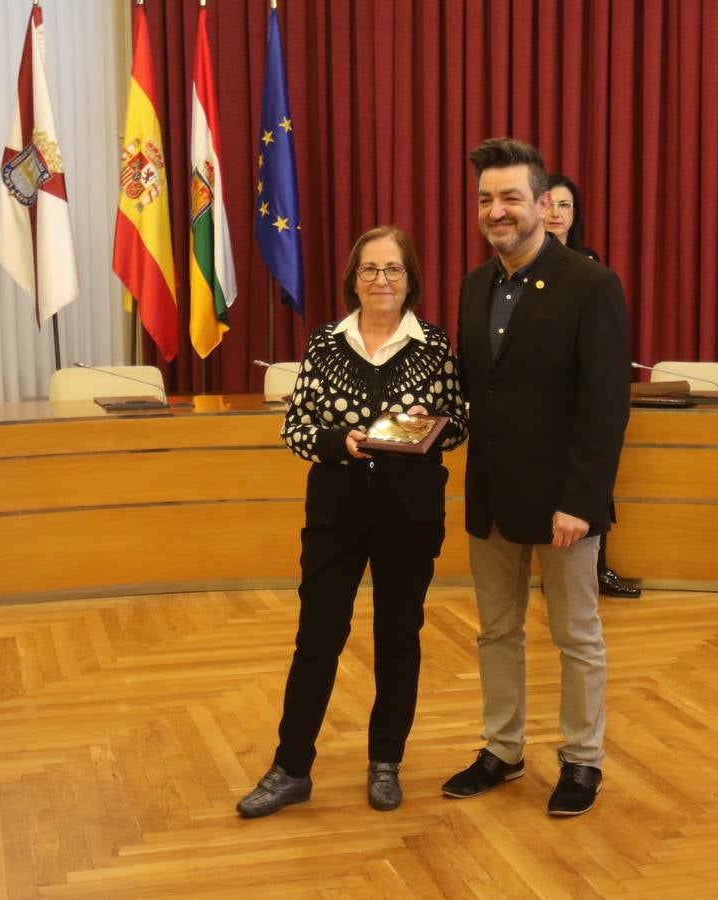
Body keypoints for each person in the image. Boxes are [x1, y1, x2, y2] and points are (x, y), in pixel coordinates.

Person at [236, 226, 468, 817]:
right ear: (353, 278)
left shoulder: (435, 346)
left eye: (393, 269)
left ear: (410, 279)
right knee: (317, 639)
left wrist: (426, 423)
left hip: (409, 515)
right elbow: (296, 429)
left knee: (398, 640)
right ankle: (291, 768)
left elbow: (460, 425)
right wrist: (346, 441)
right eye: (370, 269)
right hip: (336, 513)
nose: (381, 280)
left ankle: (386, 761)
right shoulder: (324, 343)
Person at [442, 138, 631, 817]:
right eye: (487, 199)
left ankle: (582, 760)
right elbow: (471, 390)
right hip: (491, 497)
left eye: (511, 197)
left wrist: (581, 500)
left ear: (543, 204)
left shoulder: (590, 283)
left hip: (564, 508)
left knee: (576, 636)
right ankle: (503, 748)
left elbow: (605, 408)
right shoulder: (473, 286)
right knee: (496, 632)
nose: (498, 210)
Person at [544, 172, 641, 600]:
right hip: (541, 401)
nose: (555, 213)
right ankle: (555, 575)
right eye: (548, 203)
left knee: (590, 486)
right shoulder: (513, 271)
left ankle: (595, 570)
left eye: (565, 205)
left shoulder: (590, 268)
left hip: (581, 400)